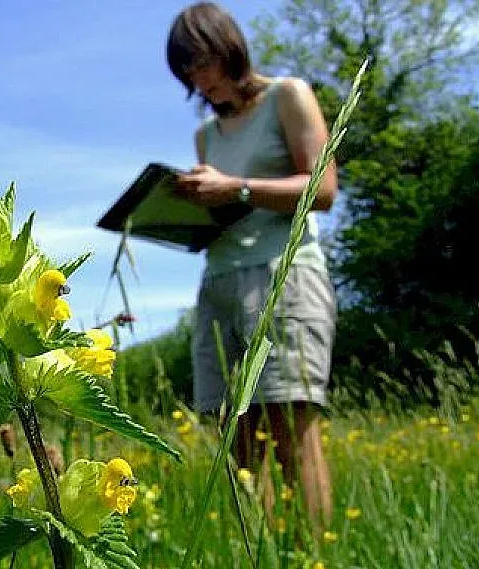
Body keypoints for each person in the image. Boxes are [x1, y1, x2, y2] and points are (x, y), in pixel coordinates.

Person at [165, 1, 338, 534]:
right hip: (217, 280)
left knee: (290, 427)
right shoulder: (206, 136)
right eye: (187, 72)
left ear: (228, 49)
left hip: (282, 276)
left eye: (202, 64)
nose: (199, 80)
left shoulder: (288, 95)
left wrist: (236, 187)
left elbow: (323, 188)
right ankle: (257, 549)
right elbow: (220, 209)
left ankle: (315, 553)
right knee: (233, 435)